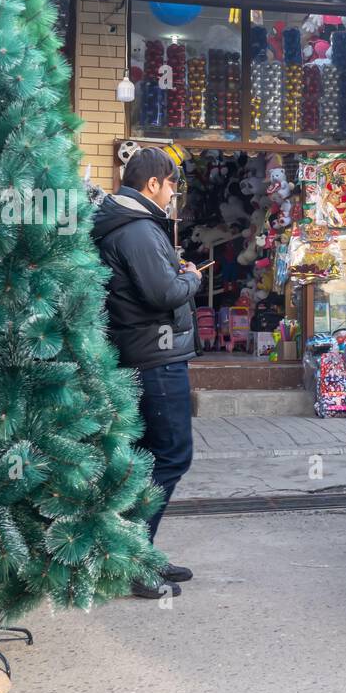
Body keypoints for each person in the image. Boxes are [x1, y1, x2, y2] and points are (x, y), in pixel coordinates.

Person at [92, 147, 198, 599]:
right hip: (155, 359)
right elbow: (163, 292)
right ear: (153, 184)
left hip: (140, 355)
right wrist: (191, 277)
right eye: (171, 183)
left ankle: (134, 554)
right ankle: (135, 560)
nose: (174, 192)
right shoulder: (136, 228)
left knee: (144, 461)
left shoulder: (128, 224)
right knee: (172, 456)